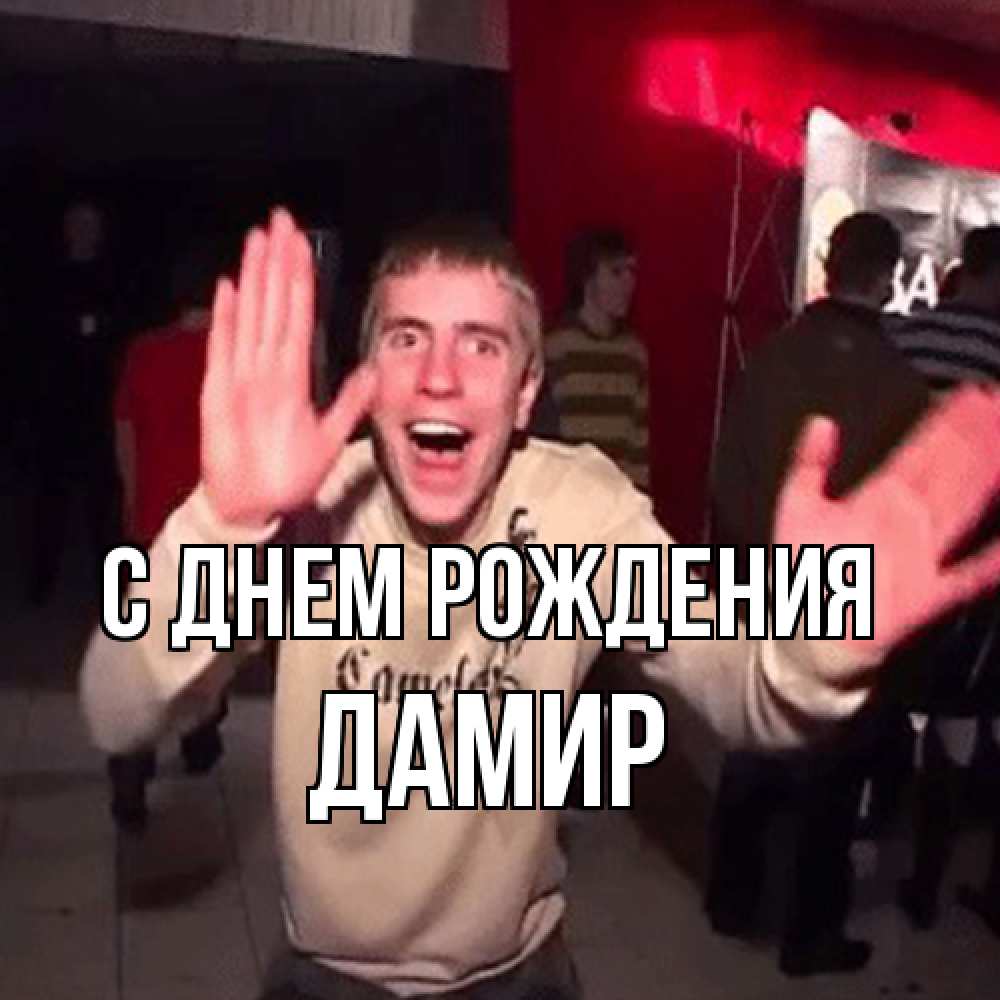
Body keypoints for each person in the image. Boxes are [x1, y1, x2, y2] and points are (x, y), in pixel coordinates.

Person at [81, 209, 1000, 999]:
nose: (441, 376)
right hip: (326, 976)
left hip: (519, 975)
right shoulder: (315, 508)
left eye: (482, 345)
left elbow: (735, 680)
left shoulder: (579, 507)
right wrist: (222, 522)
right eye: (407, 339)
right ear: (369, 379)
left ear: (526, 394)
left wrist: (818, 649)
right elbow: (118, 707)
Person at [706, 212, 930, 975]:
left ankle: (731, 899)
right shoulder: (900, 385)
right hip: (847, 593)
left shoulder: (770, 358)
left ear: (830, 266)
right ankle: (809, 935)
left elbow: (726, 479)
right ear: (888, 278)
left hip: (764, 576)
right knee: (835, 769)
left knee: (756, 736)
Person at [889, 225, 1000, 936]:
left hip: (908, 542)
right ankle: (941, 880)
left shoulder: (907, 337)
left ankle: (889, 845)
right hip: (979, 562)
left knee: (896, 697)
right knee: (966, 715)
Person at [106, 236, 235, 832]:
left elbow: (126, 433)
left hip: (154, 525)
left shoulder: (144, 352)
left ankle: (132, 767)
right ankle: (201, 734)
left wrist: (133, 505)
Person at [29, 199, 123, 603]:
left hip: (101, 403)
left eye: (91, 224)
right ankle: (41, 581)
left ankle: (112, 583)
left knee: (103, 500)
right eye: (78, 224)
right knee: (50, 496)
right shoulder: (48, 278)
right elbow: (34, 337)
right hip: (56, 403)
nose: (85, 231)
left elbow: (121, 335)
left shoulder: (113, 278)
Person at [544, 227, 648, 491]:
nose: (628, 283)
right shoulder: (556, 347)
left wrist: (638, 498)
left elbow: (638, 444)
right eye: (616, 272)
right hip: (563, 494)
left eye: (632, 272)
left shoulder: (633, 353)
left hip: (613, 498)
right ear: (587, 277)